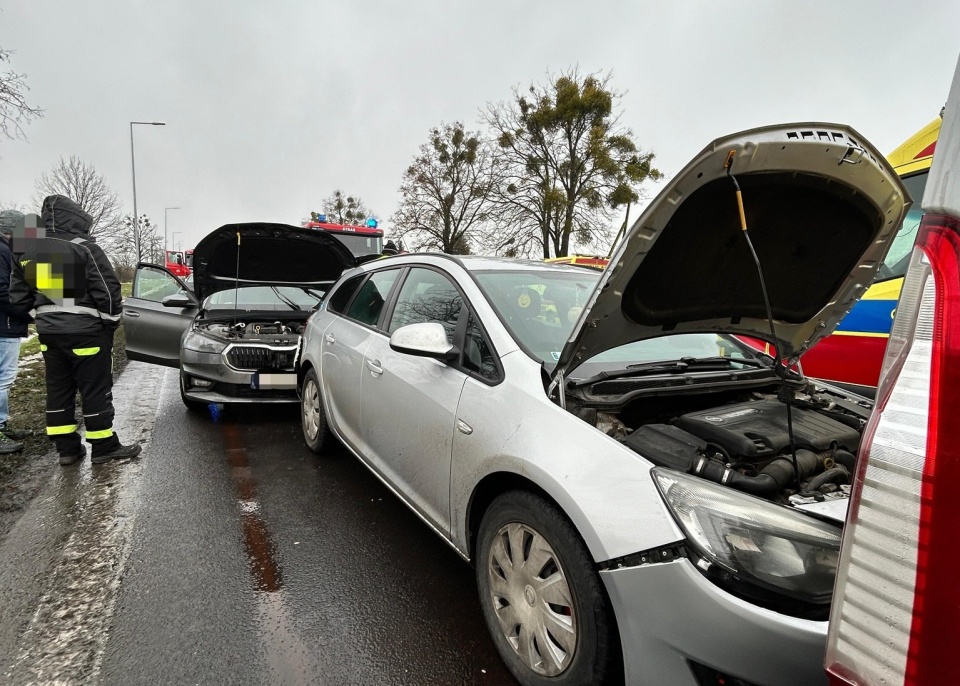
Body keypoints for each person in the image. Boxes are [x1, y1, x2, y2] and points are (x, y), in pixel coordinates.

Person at [9, 196, 141, 466]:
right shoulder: (85, 248)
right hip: (86, 332)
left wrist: (41, 316)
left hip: (49, 336)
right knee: (95, 388)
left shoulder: (27, 250)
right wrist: (110, 322)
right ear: (77, 220)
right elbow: (107, 290)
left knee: (58, 389)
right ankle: (104, 446)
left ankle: (67, 449)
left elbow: (18, 297)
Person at [0, 210, 33, 454]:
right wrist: (29, 313)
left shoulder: (7, 251)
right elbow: (4, 292)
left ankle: (2, 424)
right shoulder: (3, 252)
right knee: (4, 378)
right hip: (4, 325)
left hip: (7, 324)